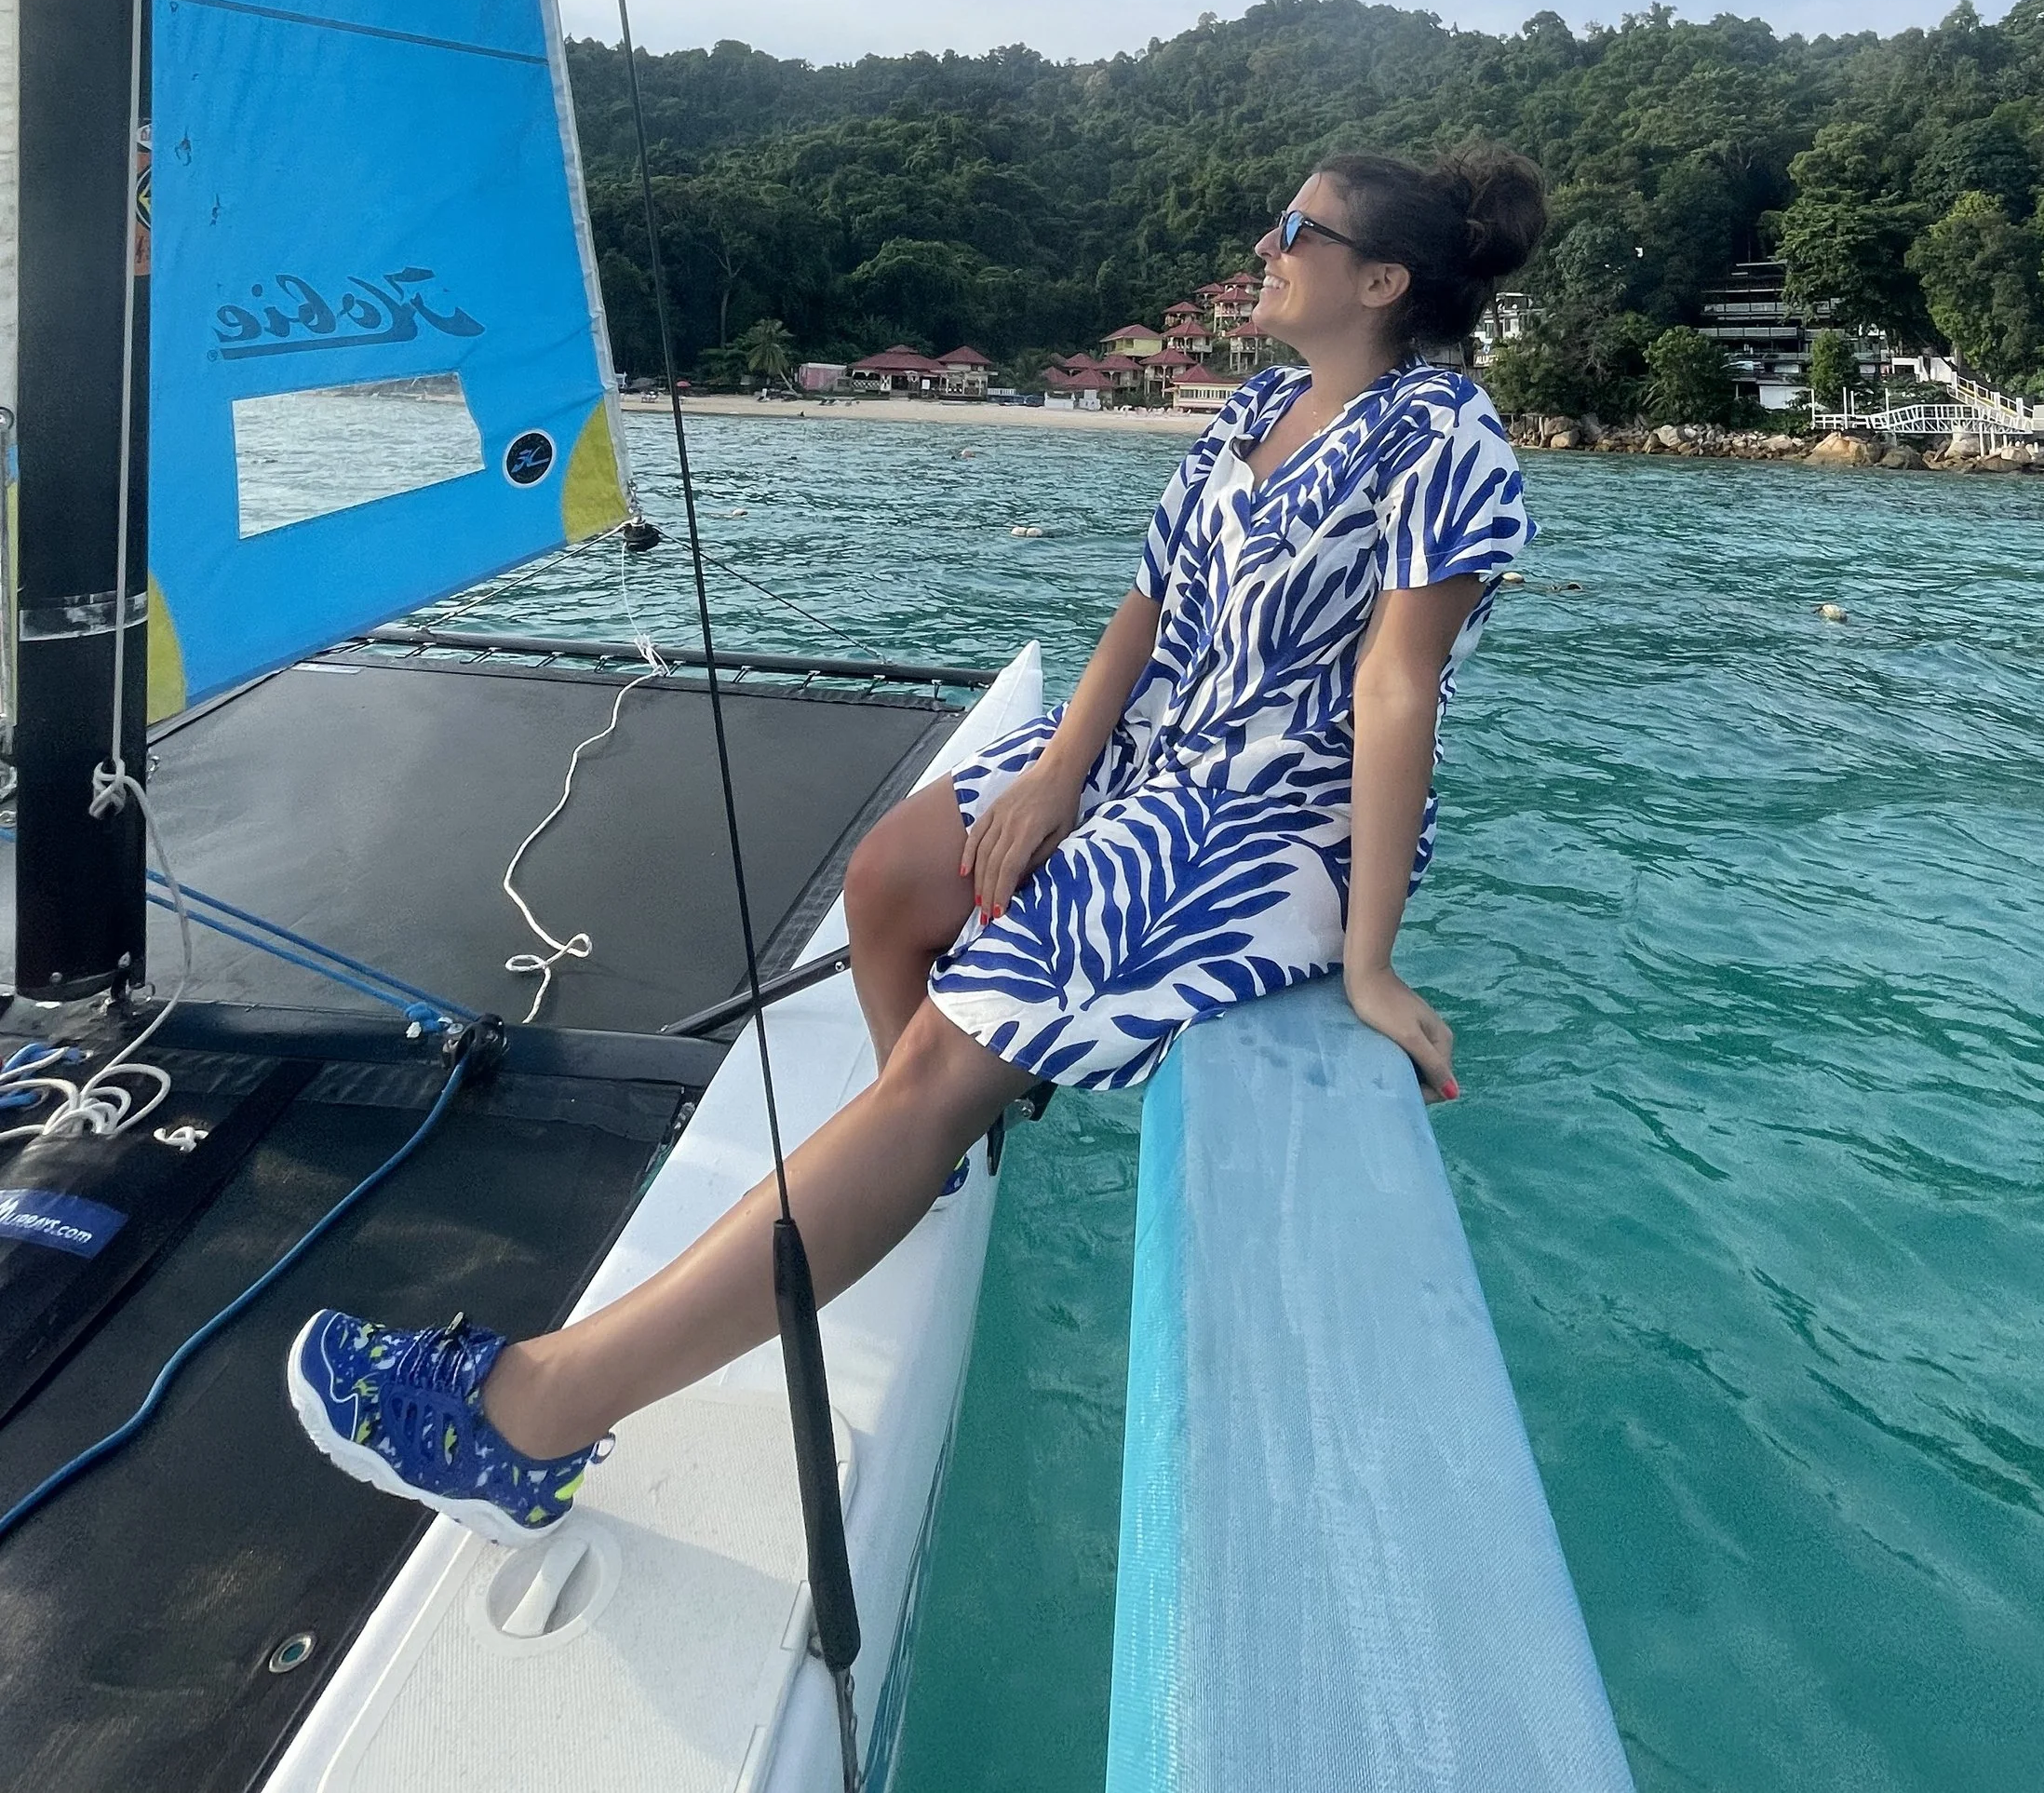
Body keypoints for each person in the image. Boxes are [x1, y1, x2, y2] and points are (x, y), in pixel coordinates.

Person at [285, 143, 1547, 1542]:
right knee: (892, 875)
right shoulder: (1256, 405)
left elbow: (1393, 690)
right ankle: (913, 1159)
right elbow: (1145, 608)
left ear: (1380, 280)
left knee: (946, 1055)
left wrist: (1370, 962)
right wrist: (1060, 771)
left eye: (1295, 231)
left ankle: (526, 1417)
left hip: (1267, 808)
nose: (1265, 246)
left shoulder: (1446, 437)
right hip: (1145, 746)